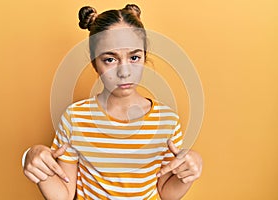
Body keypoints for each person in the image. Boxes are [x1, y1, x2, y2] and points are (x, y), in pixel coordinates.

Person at [23, 4, 203, 200]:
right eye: (110, 59)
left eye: (134, 57)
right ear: (94, 63)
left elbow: (167, 193)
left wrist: (189, 172)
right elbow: (63, 196)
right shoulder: (75, 118)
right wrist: (30, 157)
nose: (124, 72)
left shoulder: (167, 121)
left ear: (144, 57)